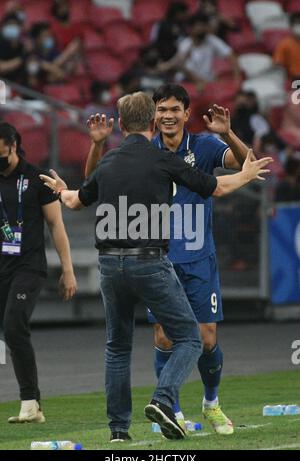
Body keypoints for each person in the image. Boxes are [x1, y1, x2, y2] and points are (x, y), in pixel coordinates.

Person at [42, 92, 272, 441]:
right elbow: (218, 187)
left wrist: (62, 192)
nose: (167, 116)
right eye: (161, 110)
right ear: (152, 121)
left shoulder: (116, 159)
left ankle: (121, 430)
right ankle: (167, 401)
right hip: (151, 261)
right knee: (188, 338)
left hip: (114, 265)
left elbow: (80, 197)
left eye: (174, 109)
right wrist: (246, 175)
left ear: (120, 124)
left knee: (120, 347)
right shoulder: (160, 159)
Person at [0, 122, 77, 424]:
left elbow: (56, 226)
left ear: (14, 145)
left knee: (14, 324)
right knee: (9, 332)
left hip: (28, 267)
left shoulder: (37, 179)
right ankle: (30, 403)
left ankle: (30, 402)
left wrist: (67, 270)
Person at [158, 14, 240, 90]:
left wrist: (237, 80)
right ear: (191, 29)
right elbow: (179, 63)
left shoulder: (211, 40)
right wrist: (166, 66)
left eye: (204, 25)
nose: (202, 28)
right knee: (184, 69)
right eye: (199, 25)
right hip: (187, 83)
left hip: (207, 84)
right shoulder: (185, 44)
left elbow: (232, 56)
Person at [273, 11, 300, 81]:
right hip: (294, 79)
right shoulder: (284, 44)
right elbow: (278, 65)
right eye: (297, 23)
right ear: (291, 26)